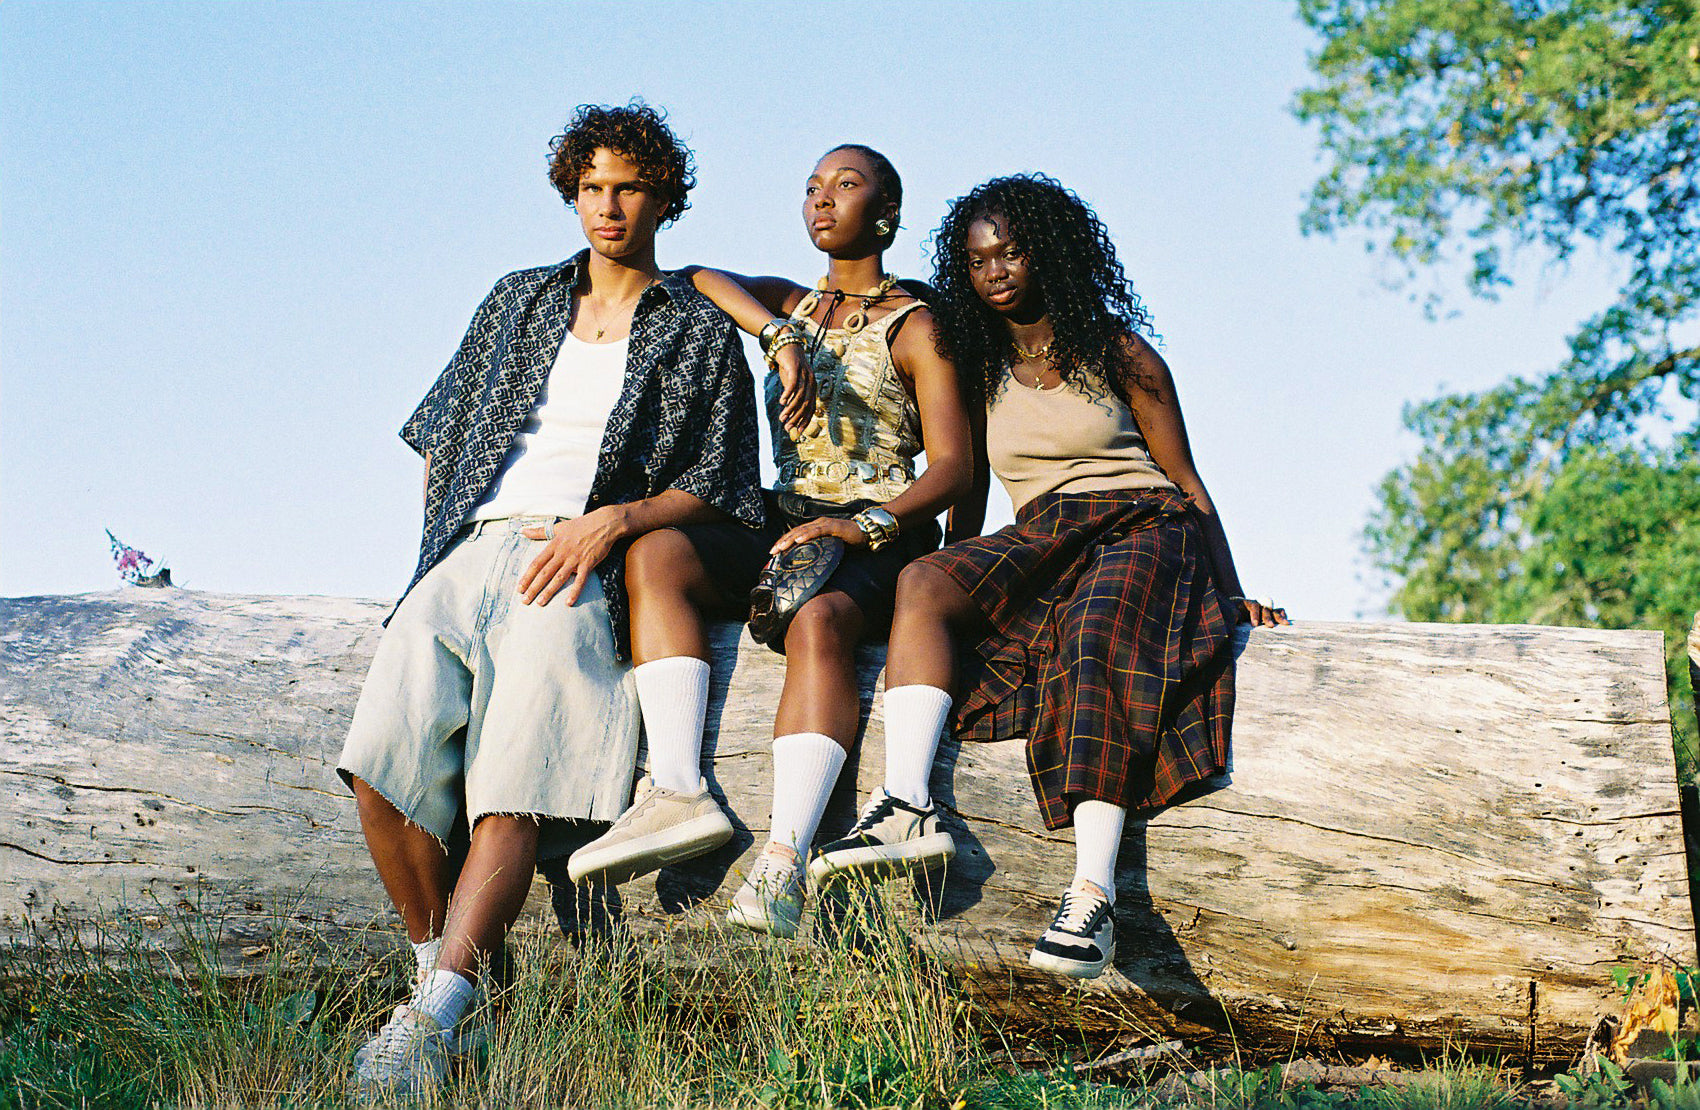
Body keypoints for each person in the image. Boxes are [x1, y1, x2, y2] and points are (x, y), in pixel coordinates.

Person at [335, 101, 764, 1093]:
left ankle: (431, 1022)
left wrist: (613, 525)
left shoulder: (697, 330)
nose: (607, 207)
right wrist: (436, 554)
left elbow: (722, 482)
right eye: (591, 188)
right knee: (376, 772)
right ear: (571, 194)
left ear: (664, 198)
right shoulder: (515, 299)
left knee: (513, 787)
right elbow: (440, 427)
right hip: (467, 551)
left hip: (580, 559)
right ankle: (447, 981)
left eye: (628, 188)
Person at [812, 174, 1288, 979]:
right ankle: (905, 807)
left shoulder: (1121, 354)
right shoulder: (979, 365)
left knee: (1094, 637)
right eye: (976, 259)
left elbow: (1188, 482)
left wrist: (1227, 590)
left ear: (1051, 253)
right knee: (923, 584)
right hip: (1043, 534)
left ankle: (1091, 895)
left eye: (1012, 251)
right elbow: (966, 488)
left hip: (1142, 522)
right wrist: (954, 565)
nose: (994, 271)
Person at [565, 145, 975, 941]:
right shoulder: (792, 300)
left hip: (876, 526)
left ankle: (784, 859)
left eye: (845, 187)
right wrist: (780, 336)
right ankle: (679, 789)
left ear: (886, 211)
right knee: (659, 552)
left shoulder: (919, 326)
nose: (822, 201)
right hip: (783, 517)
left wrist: (863, 524)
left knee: (819, 621)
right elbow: (697, 280)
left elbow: (956, 468)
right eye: (812, 188)